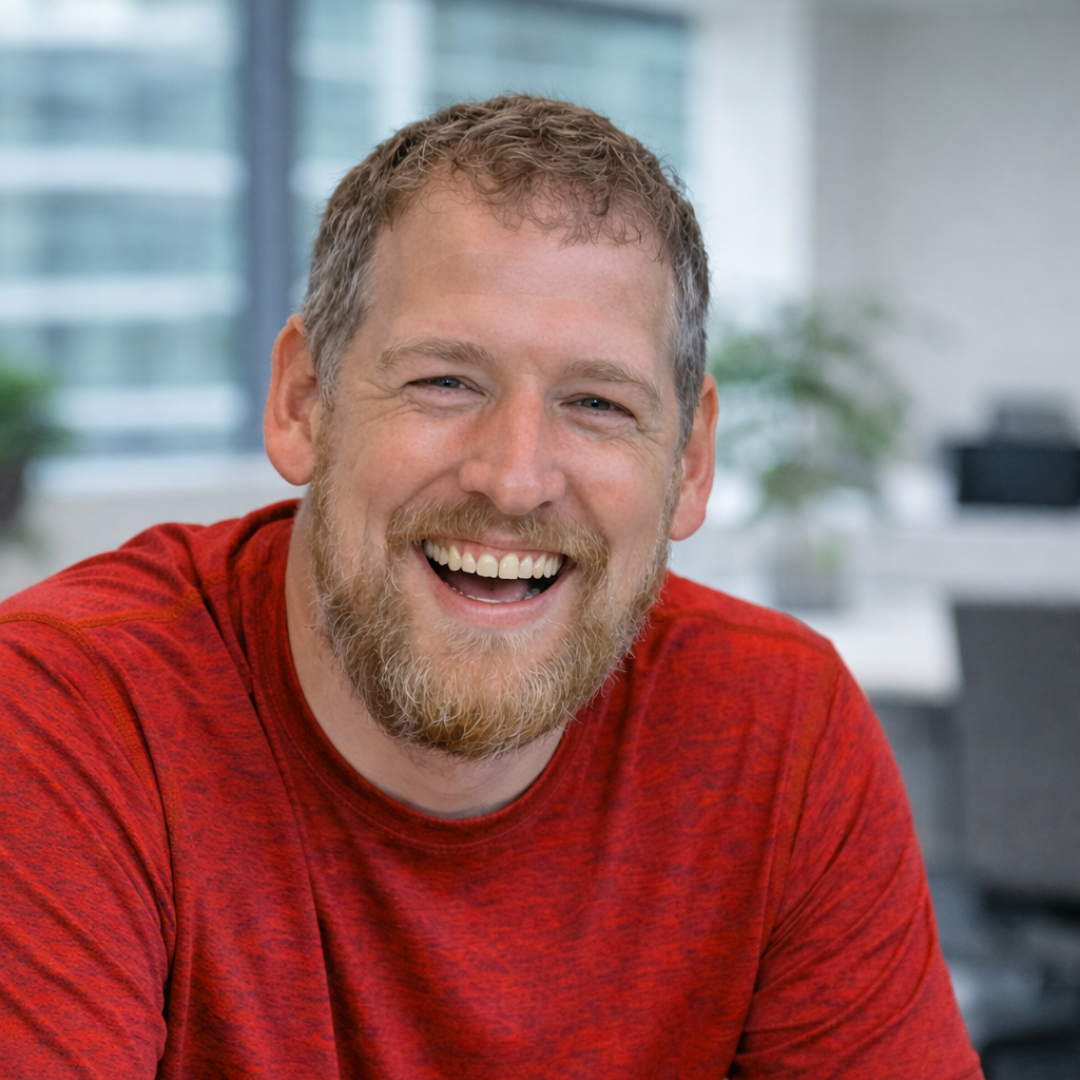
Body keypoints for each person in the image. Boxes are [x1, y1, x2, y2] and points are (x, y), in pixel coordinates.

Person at [0, 95, 981, 1079]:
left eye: (597, 404)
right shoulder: (63, 711)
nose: (515, 479)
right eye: (444, 382)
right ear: (304, 401)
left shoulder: (777, 725)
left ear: (688, 462)